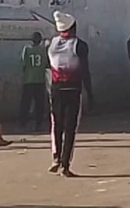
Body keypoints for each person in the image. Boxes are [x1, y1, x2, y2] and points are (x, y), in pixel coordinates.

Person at [48, 11, 94, 177]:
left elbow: (50, 68)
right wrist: (91, 93)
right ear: (74, 27)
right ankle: (65, 166)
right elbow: (85, 71)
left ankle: (56, 158)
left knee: (56, 125)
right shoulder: (79, 45)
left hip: (55, 89)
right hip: (73, 90)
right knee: (70, 128)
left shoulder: (51, 44)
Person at [19, 31, 49, 131]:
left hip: (28, 80)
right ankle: (38, 123)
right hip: (40, 80)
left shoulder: (27, 49)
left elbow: (23, 64)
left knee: (26, 102)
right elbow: (46, 64)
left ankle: (23, 122)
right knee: (39, 103)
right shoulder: (43, 50)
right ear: (40, 40)